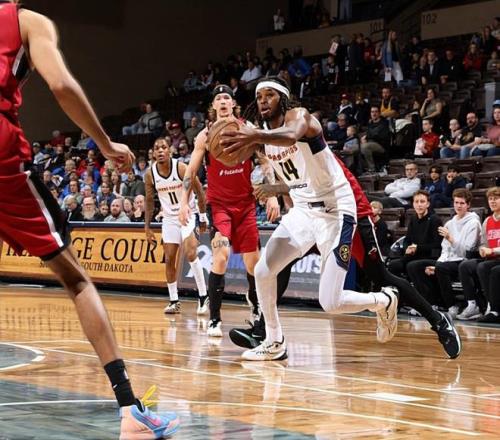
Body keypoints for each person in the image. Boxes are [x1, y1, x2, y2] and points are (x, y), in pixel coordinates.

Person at [0, 2, 179, 437]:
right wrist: (104, 143)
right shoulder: (25, 20)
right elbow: (61, 84)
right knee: (76, 279)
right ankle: (129, 409)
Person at [226, 112, 460, 359]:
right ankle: (266, 332)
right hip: (313, 215)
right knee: (277, 264)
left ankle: (438, 320)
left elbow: (308, 181)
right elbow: (299, 182)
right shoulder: (285, 148)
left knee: (380, 275)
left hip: (348, 212)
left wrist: (271, 182)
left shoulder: (305, 137)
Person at [220, 77, 399, 361]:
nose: (263, 100)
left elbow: (291, 135)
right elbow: (282, 172)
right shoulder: (264, 137)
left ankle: (383, 299)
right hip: (304, 210)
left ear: (283, 98)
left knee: (331, 302)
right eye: (259, 96)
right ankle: (274, 341)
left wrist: (254, 136)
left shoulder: (299, 117)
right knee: (263, 271)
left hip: (335, 210)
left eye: (270, 95)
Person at [179, 84, 280, 337]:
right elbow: (191, 171)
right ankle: (214, 318)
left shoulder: (247, 129)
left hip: (245, 205)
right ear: (213, 106)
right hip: (219, 206)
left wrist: (272, 195)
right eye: (218, 99)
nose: (223, 101)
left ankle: (256, 306)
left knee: (253, 263)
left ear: (233, 104)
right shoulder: (205, 135)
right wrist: (183, 202)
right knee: (221, 256)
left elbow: (265, 161)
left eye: (227, 97)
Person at [145, 137, 209, 315]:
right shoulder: (150, 174)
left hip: (188, 213)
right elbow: (149, 202)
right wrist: (147, 227)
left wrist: (202, 217)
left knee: (190, 252)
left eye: (163, 147)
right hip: (169, 219)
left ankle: (203, 296)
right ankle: (174, 300)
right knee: (169, 259)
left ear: (170, 151)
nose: (160, 151)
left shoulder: (180, 168)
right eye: (156, 148)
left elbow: (199, 191)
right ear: (153, 153)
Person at [407, 189, 482, 318]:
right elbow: (445, 249)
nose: (458, 206)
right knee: (415, 266)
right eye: (456, 202)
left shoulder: (474, 223)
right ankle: (430, 303)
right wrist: (437, 263)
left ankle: (452, 306)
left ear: (468, 205)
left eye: (462, 203)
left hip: (464, 260)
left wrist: (450, 239)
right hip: (448, 260)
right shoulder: (449, 223)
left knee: (441, 268)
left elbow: (467, 252)